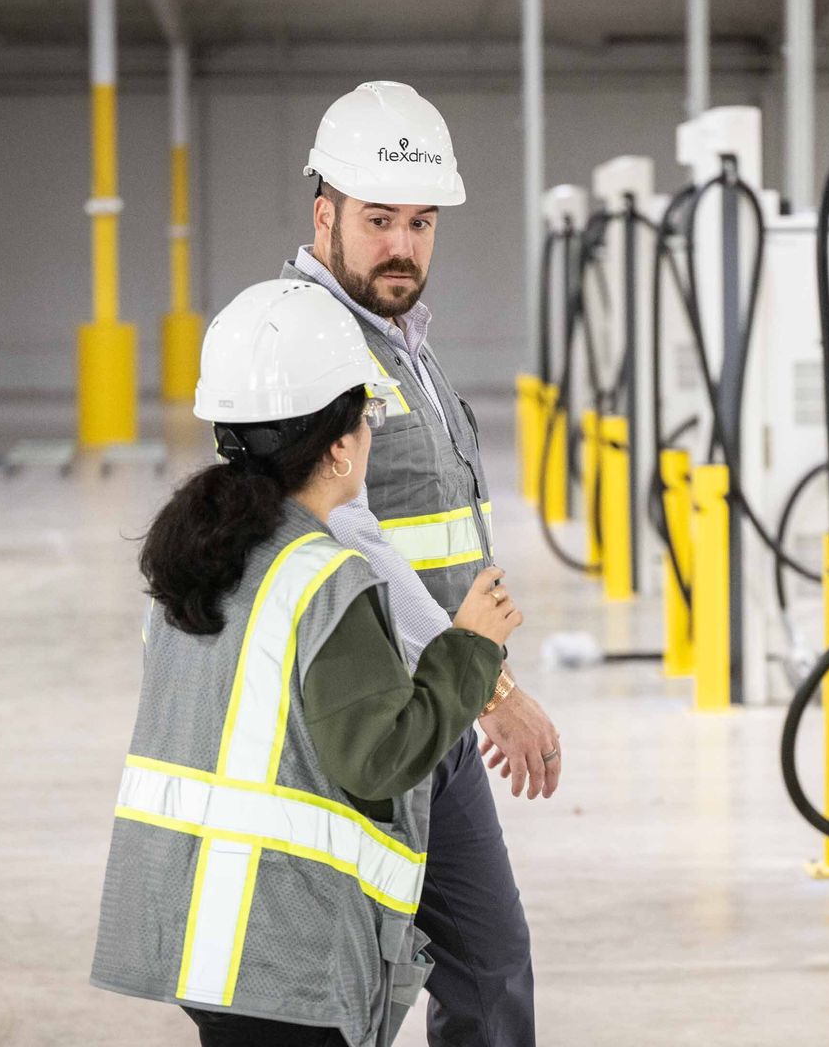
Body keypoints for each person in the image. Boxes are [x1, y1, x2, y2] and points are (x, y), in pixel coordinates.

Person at [90, 280, 525, 1047]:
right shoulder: (324, 580)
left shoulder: (198, 559)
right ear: (337, 446)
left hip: (197, 932)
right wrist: (471, 647)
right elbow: (380, 758)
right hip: (285, 951)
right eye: (370, 417)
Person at [285, 81, 552, 1046]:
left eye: (421, 222)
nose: (404, 245)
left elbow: (439, 540)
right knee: (357, 985)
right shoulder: (309, 344)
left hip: (442, 702)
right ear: (327, 214)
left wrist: (486, 678)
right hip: (365, 717)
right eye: (379, 220)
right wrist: (494, 692)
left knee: (489, 961)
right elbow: (351, 544)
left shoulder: (404, 339)